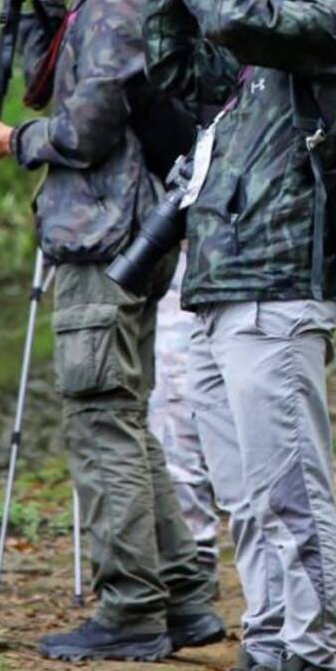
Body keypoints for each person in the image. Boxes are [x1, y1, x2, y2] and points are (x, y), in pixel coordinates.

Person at [0, 0, 222, 662]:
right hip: (115, 229)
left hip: (102, 232)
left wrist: (11, 140)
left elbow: (84, 126)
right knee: (122, 421)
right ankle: (183, 601)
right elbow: (54, 77)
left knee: (101, 422)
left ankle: (131, 612)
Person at [144, 0, 336, 671]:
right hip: (217, 287)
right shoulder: (257, 53)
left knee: (290, 489)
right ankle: (271, 650)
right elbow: (175, 64)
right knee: (247, 497)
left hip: (278, 286)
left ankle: (312, 664)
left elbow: (242, 19)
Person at [146, 246, 221, 585]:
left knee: (178, 399)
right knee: (171, 401)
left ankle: (195, 552)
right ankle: (193, 552)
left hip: (225, 248)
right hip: (171, 249)